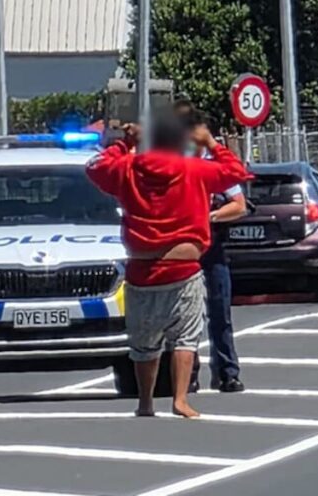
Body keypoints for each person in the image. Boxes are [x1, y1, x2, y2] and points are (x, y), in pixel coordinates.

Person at [85, 113, 250, 418]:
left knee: (144, 341)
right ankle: (180, 399)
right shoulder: (194, 169)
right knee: (185, 337)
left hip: (142, 270)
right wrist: (212, 143)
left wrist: (124, 144)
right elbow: (236, 172)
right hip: (183, 268)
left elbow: (94, 168)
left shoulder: (127, 169)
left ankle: (146, 401)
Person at [176, 101, 246, 393]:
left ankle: (227, 371)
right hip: (182, 248)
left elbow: (239, 205)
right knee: (184, 313)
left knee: (219, 311)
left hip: (213, 247)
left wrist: (210, 215)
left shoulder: (213, 165)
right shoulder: (173, 162)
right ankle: (187, 373)